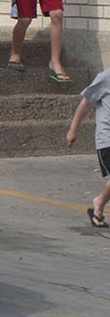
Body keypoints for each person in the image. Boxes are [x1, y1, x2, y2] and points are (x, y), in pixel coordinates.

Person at [64, 68, 110, 229]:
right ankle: (99, 203)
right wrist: (73, 130)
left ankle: (99, 203)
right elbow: (86, 103)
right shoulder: (106, 78)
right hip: (107, 139)